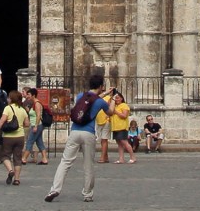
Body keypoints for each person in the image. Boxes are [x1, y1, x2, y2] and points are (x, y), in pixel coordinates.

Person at [44, 72, 109, 203]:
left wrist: (103, 94)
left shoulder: (80, 96)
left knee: (65, 162)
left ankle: (54, 189)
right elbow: (110, 112)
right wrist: (111, 98)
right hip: (89, 133)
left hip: (74, 131)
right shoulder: (101, 102)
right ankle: (87, 194)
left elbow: (89, 101)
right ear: (101, 86)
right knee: (88, 165)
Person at [0, 90, 29, 185]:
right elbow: (27, 123)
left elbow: (2, 120)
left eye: (9, 97)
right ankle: (17, 179)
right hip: (20, 136)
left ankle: (10, 170)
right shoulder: (23, 109)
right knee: (17, 157)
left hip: (8, 136)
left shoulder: (8, 108)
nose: (8, 99)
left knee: (5, 155)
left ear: (11, 99)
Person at [22, 87, 50, 165]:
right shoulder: (34, 103)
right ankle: (44, 159)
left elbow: (38, 116)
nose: (27, 96)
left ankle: (24, 158)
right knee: (39, 142)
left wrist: (36, 126)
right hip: (35, 125)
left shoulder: (37, 103)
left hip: (36, 125)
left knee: (29, 141)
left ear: (33, 95)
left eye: (29, 94)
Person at [110, 91, 133, 164]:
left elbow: (124, 115)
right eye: (115, 98)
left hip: (122, 127)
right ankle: (121, 158)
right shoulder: (114, 106)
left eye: (118, 98)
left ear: (121, 98)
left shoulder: (124, 105)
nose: (116, 99)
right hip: (115, 127)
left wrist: (115, 112)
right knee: (119, 143)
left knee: (124, 142)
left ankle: (133, 157)